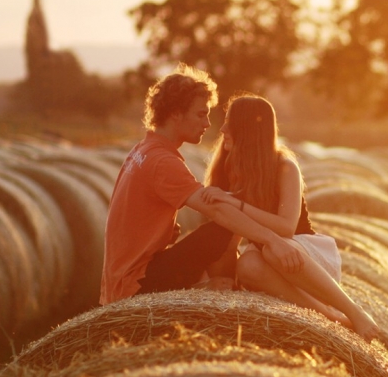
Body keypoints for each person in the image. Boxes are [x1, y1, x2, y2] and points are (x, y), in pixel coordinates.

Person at [100, 63, 305, 307]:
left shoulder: (143, 149)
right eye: (200, 114)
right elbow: (218, 210)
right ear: (176, 113)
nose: (208, 124)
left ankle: (216, 288)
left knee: (220, 224)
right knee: (222, 227)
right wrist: (274, 241)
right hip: (136, 286)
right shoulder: (162, 161)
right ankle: (232, 300)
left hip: (122, 280)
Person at [203, 93, 381, 341]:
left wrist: (235, 202)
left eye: (229, 122)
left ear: (247, 130)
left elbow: (286, 228)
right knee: (248, 264)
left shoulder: (285, 166)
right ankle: (331, 318)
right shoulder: (227, 166)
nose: (222, 128)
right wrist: (222, 278)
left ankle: (354, 311)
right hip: (271, 264)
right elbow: (228, 231)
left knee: (273, 248)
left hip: (306, 258)